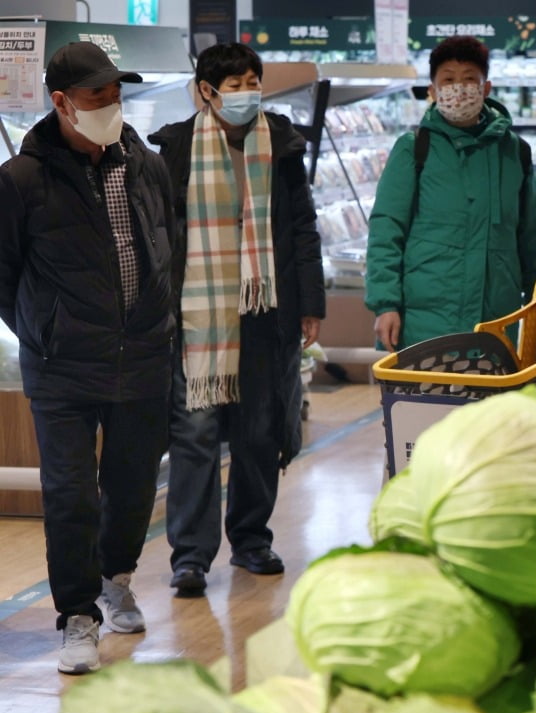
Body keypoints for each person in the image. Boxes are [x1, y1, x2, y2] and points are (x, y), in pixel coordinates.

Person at [0, 42, 175, 673]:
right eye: (96, 96)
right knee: (71, 493)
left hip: (144, 357)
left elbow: (166, 249)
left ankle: (116, 577)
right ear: (61, 103)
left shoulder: (146, 166)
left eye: (116, 95)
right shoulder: (21, 180)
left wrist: (162, 323)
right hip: (63, 367)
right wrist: (43, 333)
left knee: (131, 486)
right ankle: (78, 615)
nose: (110, 106)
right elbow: (4, 274)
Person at [148, 43, 324, 597]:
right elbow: (161, 234)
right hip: (197, 315)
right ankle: (191, 556)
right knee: (195, 432)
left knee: (258, 430)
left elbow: (301, 226)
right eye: (236, 82)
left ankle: (251, 539)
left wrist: (311, 303)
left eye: (254, 80)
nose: (248, 91)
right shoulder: (174, 147)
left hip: (265, 309)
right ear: (206, 89)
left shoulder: (283, 143)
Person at [365, 35, 536, 350]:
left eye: (469, 80)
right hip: (425, 323)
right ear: (433, 91)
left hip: (497, 319)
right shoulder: (414, 149)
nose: (459, 88)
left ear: (486, 88)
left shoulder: (515, 152)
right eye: (448, 80)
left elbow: (531, 237)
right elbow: (387, 229)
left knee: (493, 400)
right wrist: (386, 304)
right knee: (425, 400)